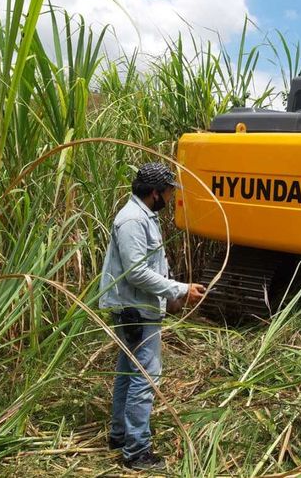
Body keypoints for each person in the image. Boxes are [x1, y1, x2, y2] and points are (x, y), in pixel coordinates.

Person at [99, 162, 206, 470]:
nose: (171, 198)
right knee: (145, 378)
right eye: (169, 192)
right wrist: (180, 288)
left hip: (139, 305)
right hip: (135, 309)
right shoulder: (133, 220)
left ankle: (120, 436)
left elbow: (150, 266)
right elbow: (136, 272)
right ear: (156, 193)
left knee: (128, 372)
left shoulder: (144, 216)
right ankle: (136, 451)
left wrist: (172, 296)